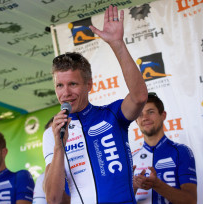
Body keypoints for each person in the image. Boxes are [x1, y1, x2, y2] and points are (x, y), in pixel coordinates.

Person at [42, 5, 148, 204]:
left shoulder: (112, 114)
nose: (65, 93)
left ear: (89, 85)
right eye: (59, 86)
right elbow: (53, 199)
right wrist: (59, 147)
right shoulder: (52, 134)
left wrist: (117, 44)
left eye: (73, 84)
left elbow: (140, 97)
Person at [132, 93, 197, 204]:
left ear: (163, 115)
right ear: (136, 121)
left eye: (150, 112)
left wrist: (157, 184)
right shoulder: (131, 158)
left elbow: (190, 201)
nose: (145, 118)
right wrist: (133, 187)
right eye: (140, 114)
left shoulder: (181, 151)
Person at [33, 117, 70, 204]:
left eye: (61, 132)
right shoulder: (42, 178)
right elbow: (53, 199)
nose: (59, 138)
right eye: (53, 136)